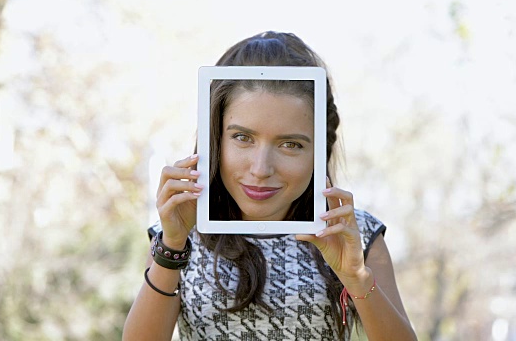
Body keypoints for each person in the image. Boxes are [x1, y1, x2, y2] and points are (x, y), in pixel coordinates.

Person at [123, 31, 417, 341]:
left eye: (290, 144)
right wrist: (171, 246)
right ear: (214, 139)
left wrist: (356, 279)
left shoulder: (351, 234)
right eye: (242, 138)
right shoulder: (178, 234)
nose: (261, 169)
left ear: (319, 150)